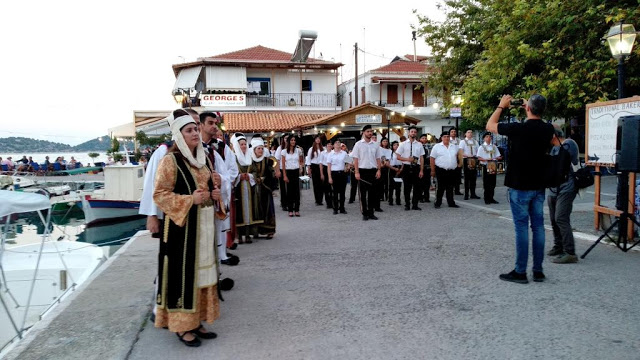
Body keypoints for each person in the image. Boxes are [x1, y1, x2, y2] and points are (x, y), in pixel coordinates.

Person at [152, 109, 221, 347]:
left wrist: (214, 194)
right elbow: (160, 195)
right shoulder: (170, 161)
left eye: (195, 129)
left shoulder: (204, 160)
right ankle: (182, 327)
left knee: (203, 274)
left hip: (203, 227)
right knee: (183, 276)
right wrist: (190, 200)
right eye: (189, 130)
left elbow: (208, 189)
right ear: (179, 135)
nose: (195, 133)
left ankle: (198, 319)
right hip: (182, 230)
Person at [486, 94, 555, 284]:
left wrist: (501, 106)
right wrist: (530, 107)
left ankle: (520, 271)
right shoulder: (548, 129)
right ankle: (538, 270)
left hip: (519, 184)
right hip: (538, 184)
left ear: (527, 109)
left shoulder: (518, 128)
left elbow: (490, 126)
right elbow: (557, 142)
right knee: (539, 228)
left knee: (522, 228)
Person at [546, 128, 580, 264]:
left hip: (567, 187)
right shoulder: (554, 148)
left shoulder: (568, 144)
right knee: (553, 219)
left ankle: (570, 252)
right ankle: (558, 246)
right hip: (554, 188)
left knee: (561, 217)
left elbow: (562, 164)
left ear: (554, 135)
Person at [230, 133, 262, 242]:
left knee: (249, 211)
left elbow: (255, 171)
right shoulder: (233, 158)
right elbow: (231, 171)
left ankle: (248, 234)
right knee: (239, 211)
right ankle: (239, 235)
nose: (243, 146)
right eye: (241, 144)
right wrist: (239, 177)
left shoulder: (250, 158)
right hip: (238, 188)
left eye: (244, 144)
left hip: (249, 188)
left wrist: (249, 176)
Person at [352, 125, 382, 221]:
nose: (370, 133)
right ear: (363, 132)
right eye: (368, 131)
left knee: (373, 193)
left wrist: (379, 170)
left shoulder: (375, 144)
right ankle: (364, 213)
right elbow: (355, 159)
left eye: (371, 131)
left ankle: (371, 212)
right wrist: (356, 172)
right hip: (362, 171)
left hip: (373, 170)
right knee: (363, 194)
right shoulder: (358, 144)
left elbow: (378, 158)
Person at [248, 137, 277, 238]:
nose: (260, 150)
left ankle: (270, 230)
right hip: (254, 189)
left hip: (265, 188)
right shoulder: (250, 161)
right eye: (258, 148)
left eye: (262, 148)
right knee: (256, 209)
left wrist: (264, 179)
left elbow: (271, 174)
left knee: (268, 209)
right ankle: (257, 230)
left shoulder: (267, 161)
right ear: (254, 150)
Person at [396, 125, 425, 211]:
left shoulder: (419, 144)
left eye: (415, 132)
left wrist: (421, 170)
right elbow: (398, 156)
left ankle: (415, 204)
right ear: (409, 133)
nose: (413, 133)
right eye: (412, 132)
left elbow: (421, 158)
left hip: (416, 167)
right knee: (407, 187)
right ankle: (407, 204)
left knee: (416, 187)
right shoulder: (403, 144)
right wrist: (407, 159)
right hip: (407, 167)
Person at [430, 132, 459, 208]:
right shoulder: (437, 146)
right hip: (441, 170)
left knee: (450, 188)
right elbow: (432, 158)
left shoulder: (454, 146)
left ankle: (451, 203)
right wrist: (432, 170)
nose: (446, 138)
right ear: (441, 138)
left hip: (451, 170)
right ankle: (438, 203)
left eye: (448, 136)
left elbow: (457, 157)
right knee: (440, 188)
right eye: (445, 136)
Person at [476, 132, 502, 204]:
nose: (489, 138)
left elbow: (498, 155)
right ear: (484, 138)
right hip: (486, 165)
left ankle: (491, 197)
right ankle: (486, 198)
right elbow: (479, 157)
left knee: (493, 182)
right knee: (486, 182)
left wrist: (498, 158)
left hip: (493, 165)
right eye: (487, 136)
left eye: (490, 137)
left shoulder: (494, 146)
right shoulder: (481, 147)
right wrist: (485, 159)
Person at [281, 136, 304, 217]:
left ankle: (297, 209)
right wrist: (284, 175)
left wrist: (301, 167)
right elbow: (283, 165)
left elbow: (301, 161)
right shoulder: (284, 152)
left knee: (297, 191)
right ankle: (290, 209)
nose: (293, 142)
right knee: (289, 192)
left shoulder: (298, 150)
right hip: (288, 172)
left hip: (296, 171)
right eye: (291, 140)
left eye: (294, 140)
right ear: (288, 141)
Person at [327, 138, 349, 215]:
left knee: (342, 192)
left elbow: (348, 162)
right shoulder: (330, 154)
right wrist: (329, 177)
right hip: (334, 174)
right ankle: (335, 208)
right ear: (333, 145)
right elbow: (329, 167)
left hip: (342, 174)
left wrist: (347, 167)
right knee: (335, 192)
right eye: (336, 142)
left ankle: (342, 208)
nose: (337, 144)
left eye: (339, 142)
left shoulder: (344, 153)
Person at [459, 130, 481, 200]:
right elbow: (461, 152)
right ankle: (466, 194)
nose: (470, 134)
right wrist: (467, 155)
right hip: (466, 159)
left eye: (471, 132)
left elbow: (478, 151)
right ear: (465, 134)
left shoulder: (475, 142)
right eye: (468, 132)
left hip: (474, 159)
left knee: (473, 178)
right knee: (467, 178)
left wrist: (477, 157)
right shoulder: (462, 142)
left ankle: (473, 193)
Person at [307, 135, 325, 206]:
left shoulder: (323, 148)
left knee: (321, 183)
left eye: (319, 139)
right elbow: (308, 159)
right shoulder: (311, 149)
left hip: (321, 166)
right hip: (314, 166)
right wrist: (309, 168)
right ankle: (317, 199)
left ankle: (321, 199)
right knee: (316, 183)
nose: (318, 140)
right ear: (314, 140)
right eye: (316, 139)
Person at [274, 135, 289, 211]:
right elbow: (277, 160)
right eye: (285, 138)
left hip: (290, 169)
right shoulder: (280, 148)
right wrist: (277, 171)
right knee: (283, 188)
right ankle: (284, 203)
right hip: (282, 169)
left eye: (288, 138)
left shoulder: (293, 148)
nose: (287, 140)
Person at [388, 141, 403, 206]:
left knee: (398, 186)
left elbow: (403, 162)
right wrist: (394, 169)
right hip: (392, 169)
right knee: (391, 186)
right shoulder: (390, 153)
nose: (396, 146)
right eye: (394, 145)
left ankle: (398, 200)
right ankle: (390, 200)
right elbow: (387, 164)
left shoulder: (401, 153)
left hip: (399, 169)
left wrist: (401, 169)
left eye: (397, 145)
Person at [449, 128, 463, 195]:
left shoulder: (459, 140)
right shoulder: (448, 140)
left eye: (455, 132)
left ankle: (457, 190)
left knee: (458, 174)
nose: (453, 133)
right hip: (451, 158)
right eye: (452, 132)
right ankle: (450, 189)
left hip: (458, 158)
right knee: (451, 175)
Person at [419, 134, 431, 203]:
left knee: (427, 182)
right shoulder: (419, 146)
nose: (424, 139)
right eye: (422, 138)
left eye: (425, 138)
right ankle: (420, 196)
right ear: (420, 139)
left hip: (428, 166)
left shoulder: (429, 146)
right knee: (420, 182)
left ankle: (427, 197)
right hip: (421, 166)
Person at [379, 137, 392, 202]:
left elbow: (389, 158)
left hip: (387, 166)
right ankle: (381, 196)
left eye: (386, 141)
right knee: (381, 182)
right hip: (381, 166)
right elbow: (380, 157)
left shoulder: (390, 150)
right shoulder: (379, 149)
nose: (385, 142)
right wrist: (382, 163)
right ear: (381, 142)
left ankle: (387, 195)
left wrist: (386, 162)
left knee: (387, 182)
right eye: (383, 141)